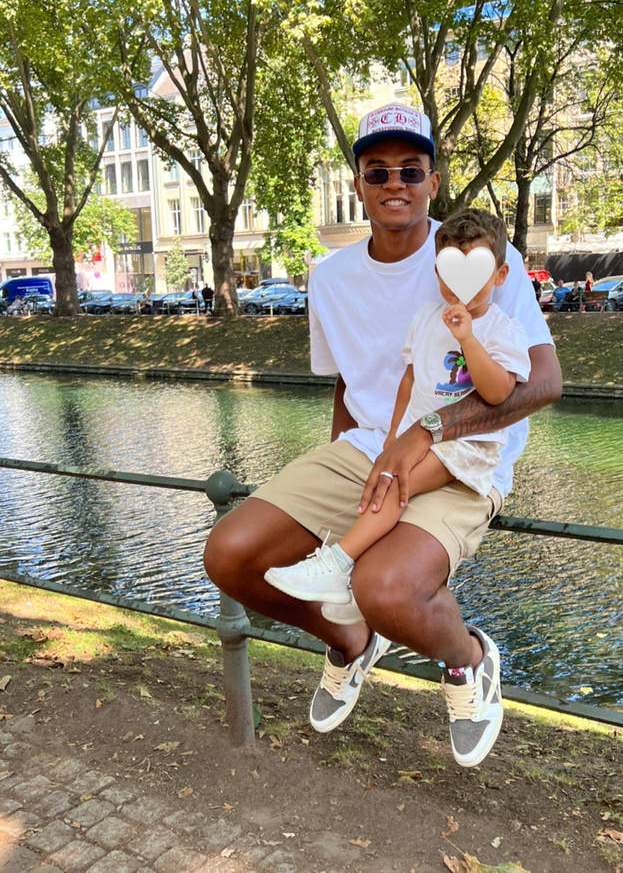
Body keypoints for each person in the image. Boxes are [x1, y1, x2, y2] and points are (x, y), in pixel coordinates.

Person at [203, 103, 562, 768]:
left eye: (410, 169)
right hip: (367, 445)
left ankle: (470, 662)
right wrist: (345, 469)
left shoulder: (473, 254)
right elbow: (347, 383)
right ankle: (349, 641)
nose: (394, 183)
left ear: (431, 179)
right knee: (231, 554)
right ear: (360, 182)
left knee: (387, 587)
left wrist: (426, 430)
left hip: (464, 459)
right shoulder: (330, 277)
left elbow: (541, 385)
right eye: (378, 171)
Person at [264, 209, 530, 645]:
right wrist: (393, 435)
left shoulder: (502, 329)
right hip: (419, 439)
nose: (460, 287)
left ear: (499, 275)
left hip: (467, 446)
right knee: (388, 472)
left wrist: (468, 339)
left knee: (392, 481)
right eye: (449, 273)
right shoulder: (426, 319)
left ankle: (338, 563)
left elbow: (499, 391)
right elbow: (410, 379)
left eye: (476, 272)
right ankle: (352, 592)